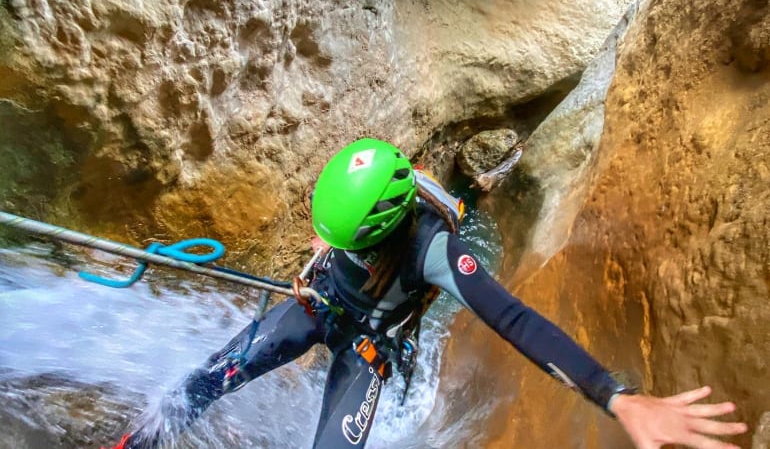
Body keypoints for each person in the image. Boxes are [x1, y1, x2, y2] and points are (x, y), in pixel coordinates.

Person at [110, 138, 747, 449]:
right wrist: (327, 247)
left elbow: (515, 320)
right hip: (319, 302)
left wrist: (616, 397)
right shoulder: (365, 179)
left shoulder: (436, 251)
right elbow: (338, 225)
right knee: (209, 379)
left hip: (369, 346)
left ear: (387, 231)